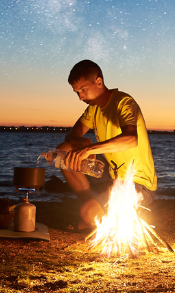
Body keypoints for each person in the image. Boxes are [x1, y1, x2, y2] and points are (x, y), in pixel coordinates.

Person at [55, 59, 157, 232]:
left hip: (138, 184)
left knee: (88, 214)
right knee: (63, 151)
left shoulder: (123, 102)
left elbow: (131, 139)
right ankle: (92, 206)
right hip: (112, 178)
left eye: (83, 90)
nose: (80, 97)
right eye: (77, 92)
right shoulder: (93, 109)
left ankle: (99, 216)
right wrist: (82, 142)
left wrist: (90, 149)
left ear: (99, 82)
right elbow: (71, 135)